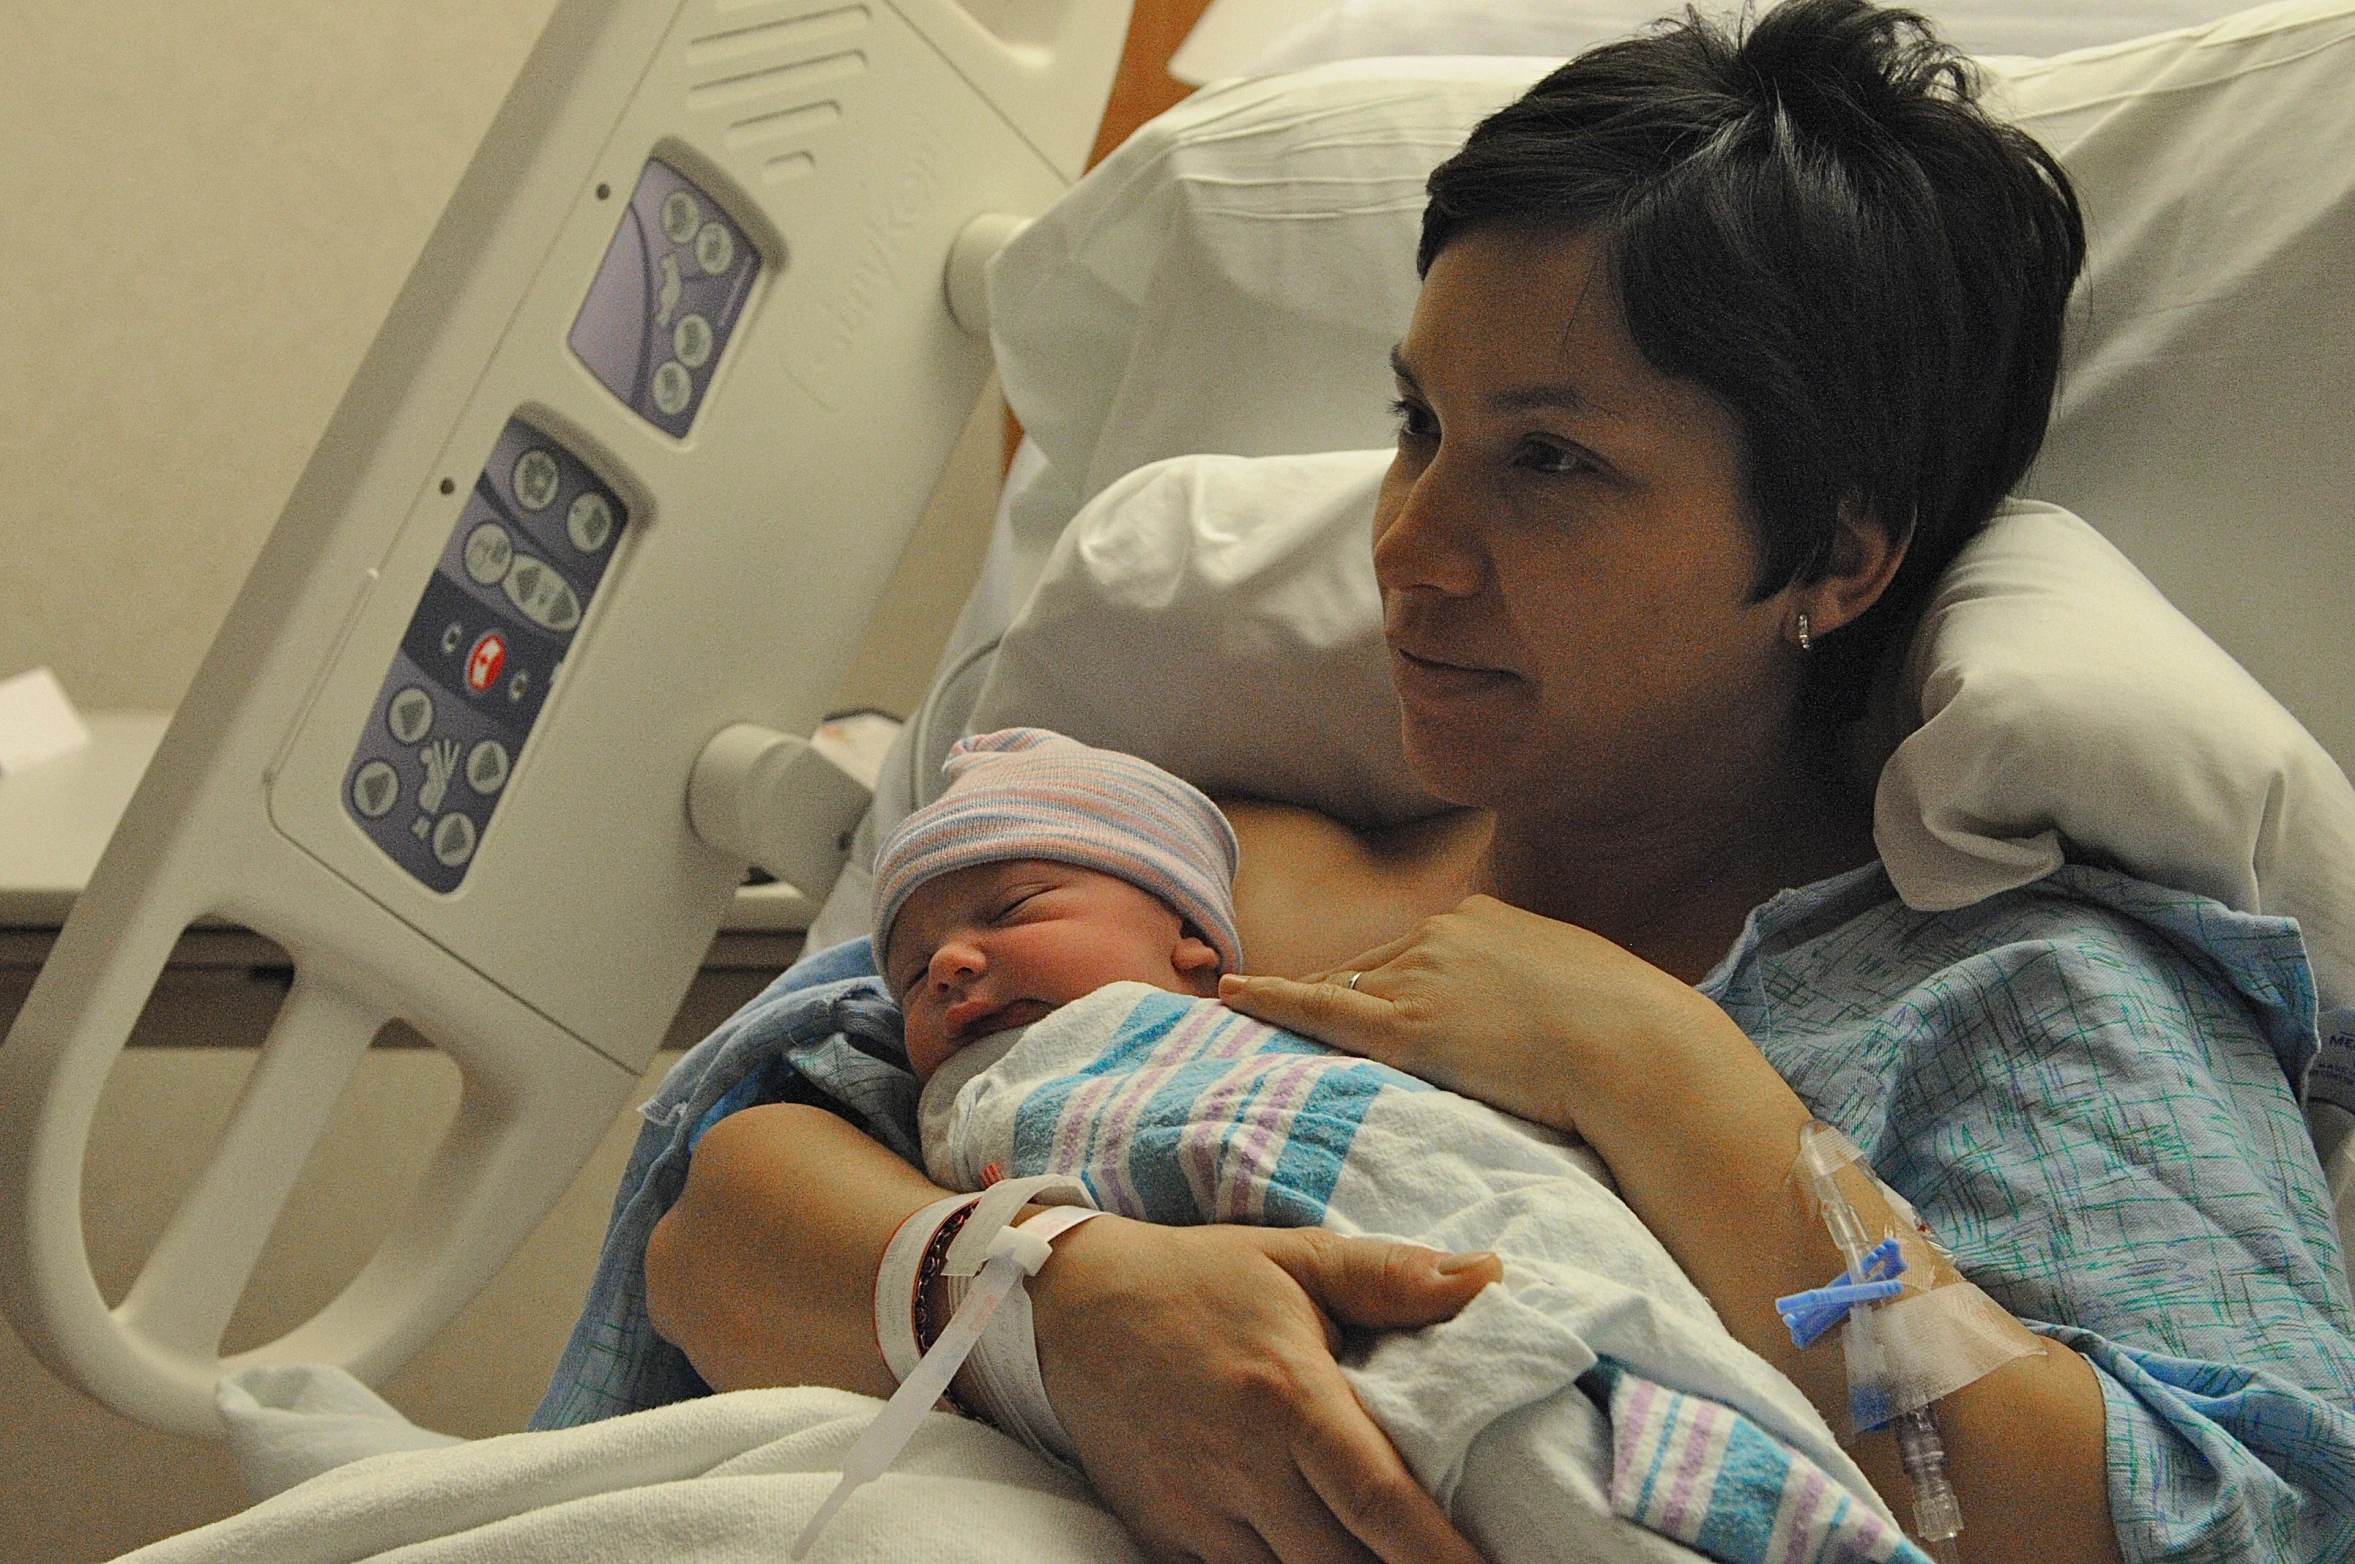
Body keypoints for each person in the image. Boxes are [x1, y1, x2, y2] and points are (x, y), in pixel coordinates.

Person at [632, 3, 2355, 1560]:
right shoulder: (1210, 878)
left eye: (1549, 460)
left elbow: (2215, 1520)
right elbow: (711, 1215)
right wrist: (1058, 1309)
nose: (1414, 544)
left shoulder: (2023, 1000)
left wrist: (1659, 1072)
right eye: (1418, 428)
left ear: (1835, 551)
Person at [874, 725, 1919, 1560]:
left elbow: (1454, 1157)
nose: (954, 965)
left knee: (1558, 1421)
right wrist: (1028, 1251)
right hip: (1250, 1383)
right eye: (915, 973)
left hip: (1494, 1280)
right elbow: (761, 1177)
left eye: (1010, 910)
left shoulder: (1287, 1033)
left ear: (1194, 941)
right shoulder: (966, 1086)